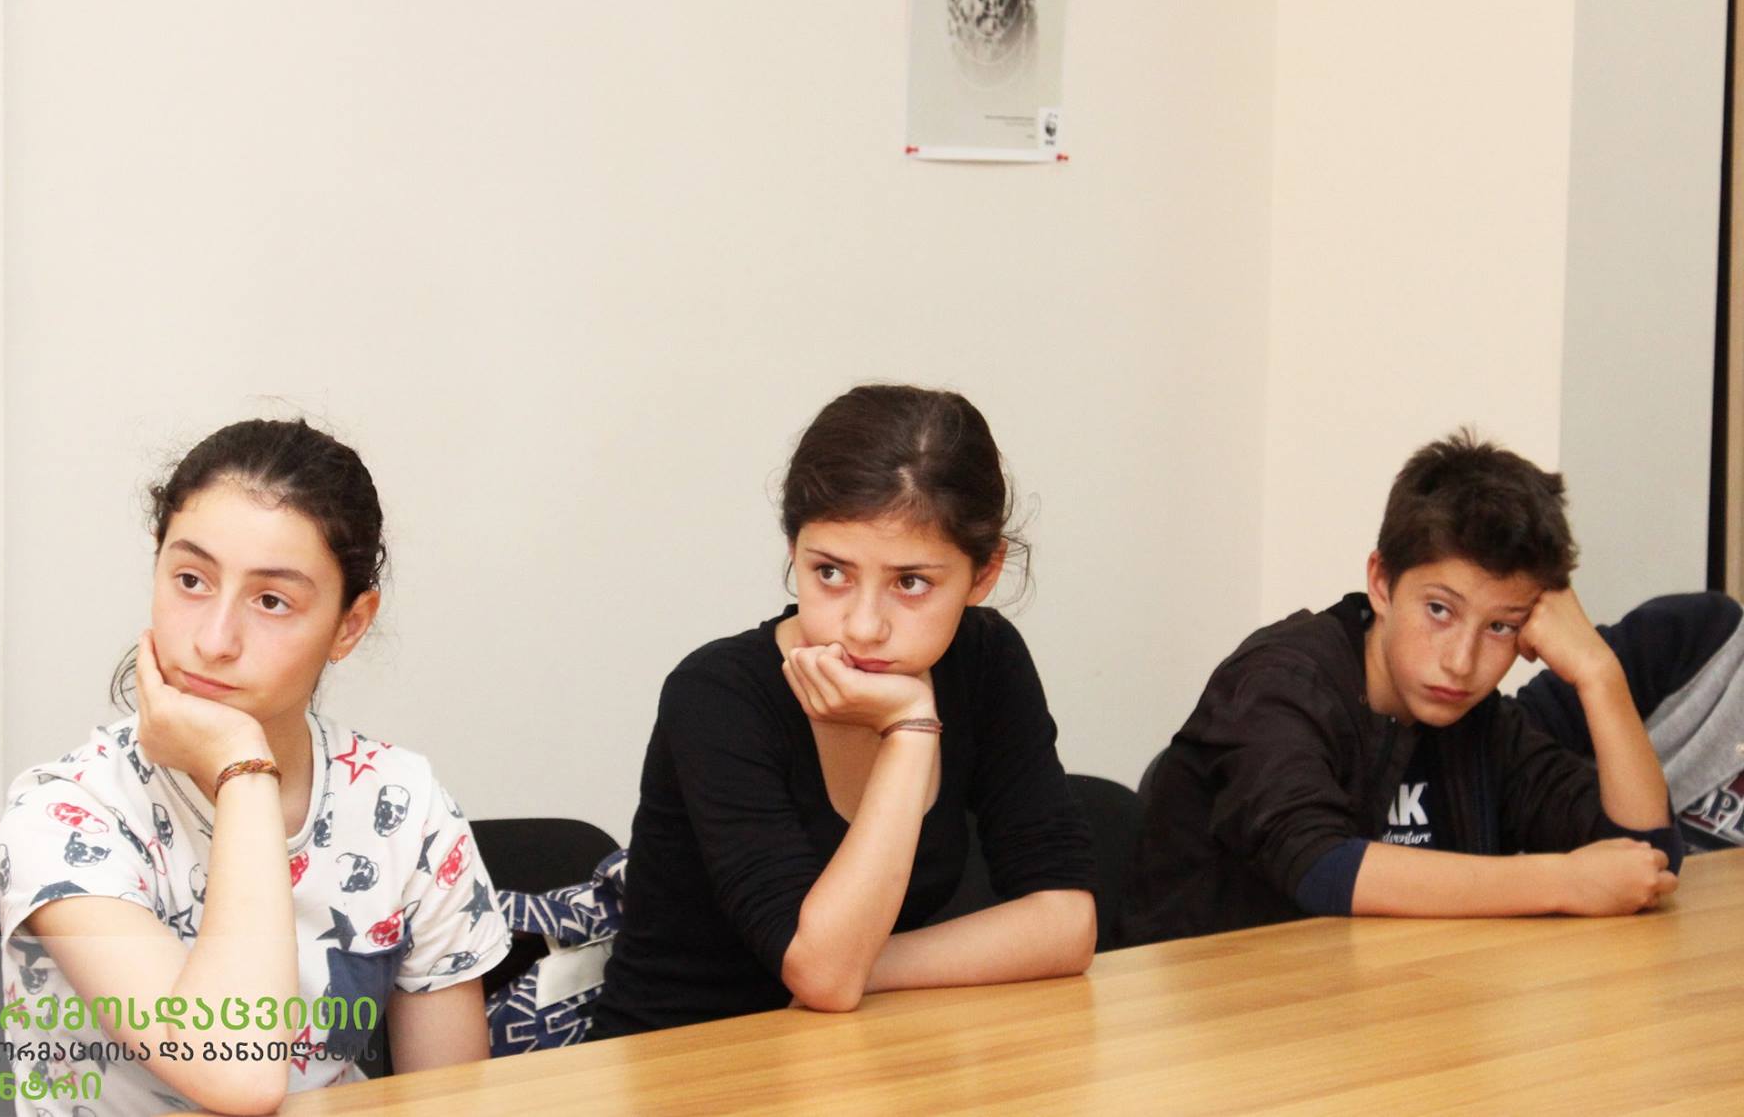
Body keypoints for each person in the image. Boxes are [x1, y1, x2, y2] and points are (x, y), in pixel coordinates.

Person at [0, 419, 507, 1116]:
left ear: (349, 625)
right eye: (191, 580)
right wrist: (243, 767)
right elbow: (238, 1075)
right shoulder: (65, 816)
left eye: (271, 601)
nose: (214, 640)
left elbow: (451, 1103)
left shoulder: (405, 806)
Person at [587, 384, 1097, 1039]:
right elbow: (825, 977)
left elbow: (1066, 924)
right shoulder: (717, 693)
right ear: (793, 550)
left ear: (984, 574)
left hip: (860, 1050)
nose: (862, 627)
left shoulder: (985, 660)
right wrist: (912, 726)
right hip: (684, 1058)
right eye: (830, 572)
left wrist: (862, 967)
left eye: (910, 582)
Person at [1126, 430, 1718, 947]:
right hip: (1219, 1016)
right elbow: (1321, 868)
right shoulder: (1279, 683)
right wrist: (1562, 882)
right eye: (1439, 610)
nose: (1461, 663)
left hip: (1392, 1007)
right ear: (1382, 583)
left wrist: (1599, 673)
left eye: (1500, 626)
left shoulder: (1480, 722)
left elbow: (1646, 857)